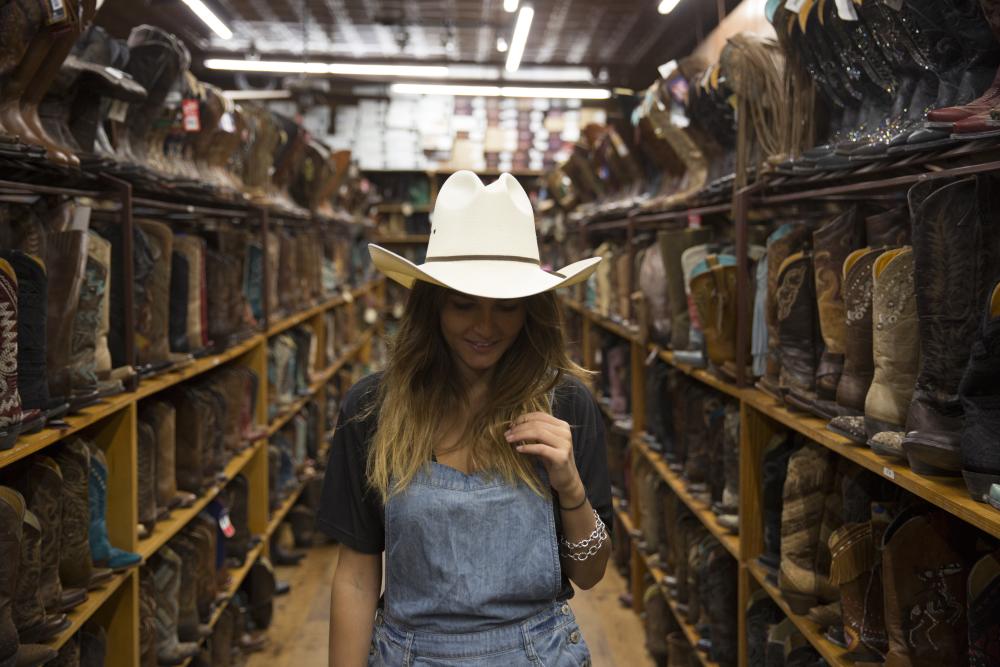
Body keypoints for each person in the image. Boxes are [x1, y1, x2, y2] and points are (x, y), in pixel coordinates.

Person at [319, 171, 612, 666]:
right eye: (463, 305)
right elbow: (354, 574)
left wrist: (571, 487)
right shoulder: (373, 412)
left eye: (507, 308)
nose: (485, 327)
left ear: (531, 311)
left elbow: (591, 574)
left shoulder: (563, 406)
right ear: (430, 306)